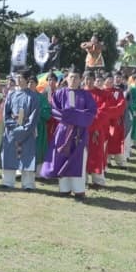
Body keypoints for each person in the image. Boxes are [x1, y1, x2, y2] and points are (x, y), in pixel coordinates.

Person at [41, 66, 97, 199]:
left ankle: (78, 189)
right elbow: (55, 110)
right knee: (62, 158)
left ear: (80, 79)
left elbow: (91, 113)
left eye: (76, 77)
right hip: (63, 131)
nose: (73, 80)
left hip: (79, 132)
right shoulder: (60, 93)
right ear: (67, 78)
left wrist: (74, 116)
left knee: (78, 160)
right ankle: (64, 188)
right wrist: (72, 116)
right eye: (71, 77)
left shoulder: (86, 95)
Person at [0, 70, 40, 190]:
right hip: (11, 129)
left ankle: (28, 184)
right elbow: (6, 114)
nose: (18, 80)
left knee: (27, 155)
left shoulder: (33, 97)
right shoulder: (11, 94)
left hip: (27, 130)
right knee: (9, 154)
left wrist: (24, 129)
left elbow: (33, 117)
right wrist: (13, 126)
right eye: (17, 77)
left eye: (21, 78)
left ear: (27, 80)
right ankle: (8, 181)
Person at [83, 71, 109, 187]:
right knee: (82, 155)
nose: (88, 81)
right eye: (86, 79)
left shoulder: (102, 94)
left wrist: (94, 126)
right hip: (82, 130)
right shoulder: (80, 93)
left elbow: (102, 112)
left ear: (94, 80)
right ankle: (82, 180)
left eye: (90, 79)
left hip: (96, 130)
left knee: (97, 155)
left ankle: (98, 180)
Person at [102, 74, 129, 168]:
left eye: (111, 80)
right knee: (104, 141)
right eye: (107, 80)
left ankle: (120, 161)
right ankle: (107, 160)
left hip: (114, 121)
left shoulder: (118, 92)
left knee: (116, 141)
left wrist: (110, 113)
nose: (109, 82)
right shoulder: (101, 91)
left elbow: (121, 105)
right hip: (102, 121)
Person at [28, 75, 51, 174]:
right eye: (28, 82)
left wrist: (38, 111)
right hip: (25, 128)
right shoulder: (23, 96)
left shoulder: (41, 97)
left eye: (32, 82)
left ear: (36, 84)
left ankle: (38, 171)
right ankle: (23, 170)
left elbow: (47, 114)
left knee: (38, 149)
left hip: (39, 128)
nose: (30, 84)